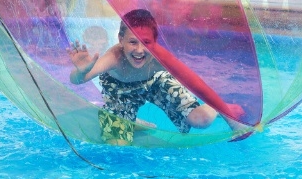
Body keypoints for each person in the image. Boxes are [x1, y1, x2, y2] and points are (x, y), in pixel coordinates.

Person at [69, 9, 244, 145]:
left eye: (146, 42)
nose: (139, 50)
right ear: (120, 39)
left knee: (201, 120)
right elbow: (78, 80)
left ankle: (218, 108)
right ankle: (130, 119)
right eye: (132, 42)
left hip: (156, 82)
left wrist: (231, 119)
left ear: (155, 41)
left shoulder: (161, 57)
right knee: (118, 146)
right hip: (120, 93)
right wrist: (82, 71)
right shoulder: (114, 57)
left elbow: (196, 84)